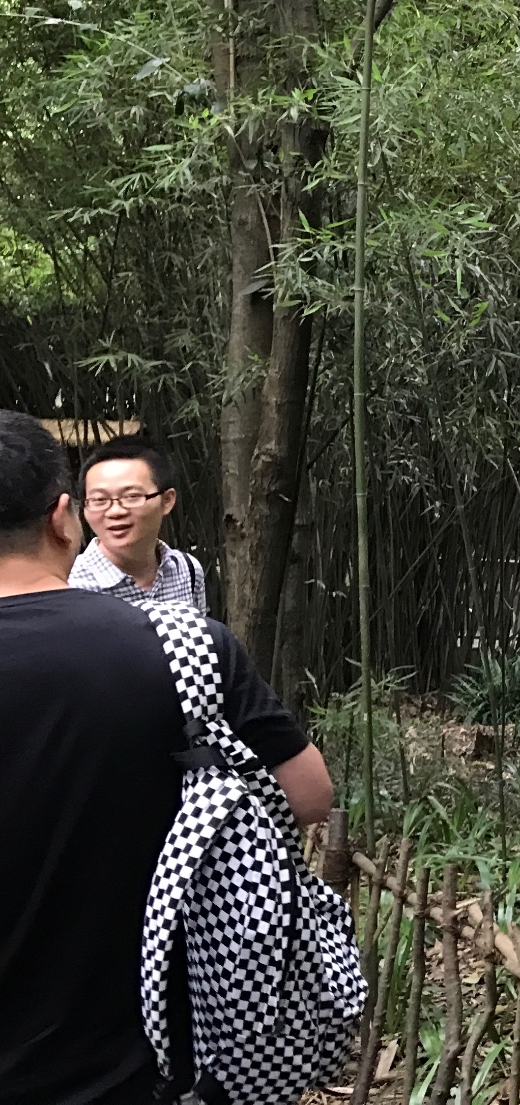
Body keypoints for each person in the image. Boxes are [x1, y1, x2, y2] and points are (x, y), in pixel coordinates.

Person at [0, 410, 334, 1105]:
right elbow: (308, 795)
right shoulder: (188, 644)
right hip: (127, 1052)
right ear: (67, 517)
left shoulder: (186, 585)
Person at [69, 436, 207, 613]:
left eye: (132, 496)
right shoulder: (70, 586)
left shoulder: (187, 570)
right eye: (99, 500)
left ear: (167, 500)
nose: (115, 511)